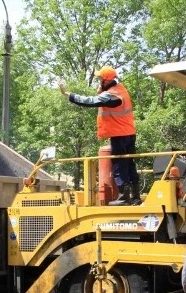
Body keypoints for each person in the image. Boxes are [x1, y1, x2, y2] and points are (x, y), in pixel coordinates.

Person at [59, 66, 139, 205]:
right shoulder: (120, 88)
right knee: (129, 164)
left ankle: (124, 197)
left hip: (119, 135)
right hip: (129, 133)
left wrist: (68, 95)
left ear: (105, 80)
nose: (98, 81)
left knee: (119, 166)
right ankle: (135, 196)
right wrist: (102, 90)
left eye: (100, 79)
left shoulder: (111, 95)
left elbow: (91, 101)